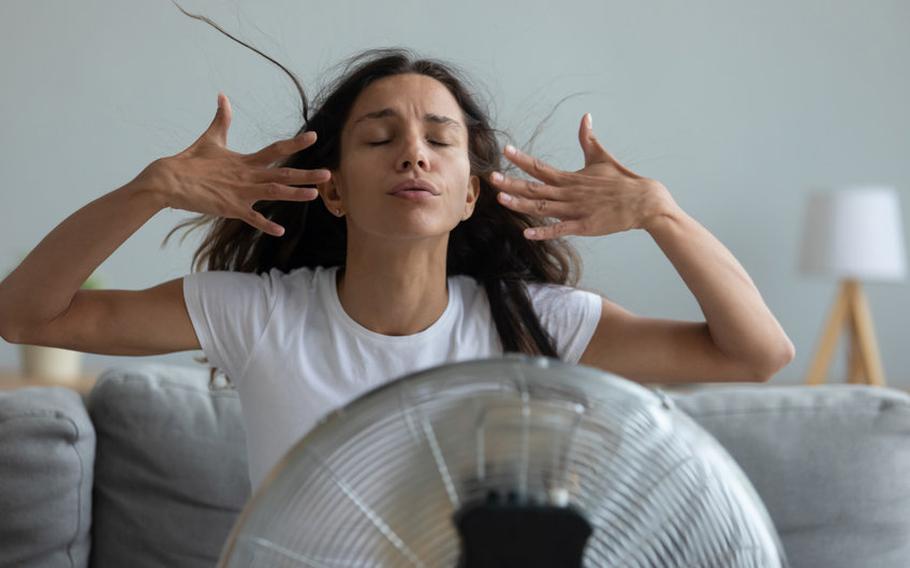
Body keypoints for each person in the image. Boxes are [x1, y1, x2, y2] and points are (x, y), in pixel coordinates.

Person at [0, 41, 794, 492]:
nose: (413, 151)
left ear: (469, 196)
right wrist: (150, 190)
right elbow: (26, 315)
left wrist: (662, 212)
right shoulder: (259, 313)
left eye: (439, 140)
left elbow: (756, 355)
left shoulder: (533, 321)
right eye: (380, 137)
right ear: (335, 192)